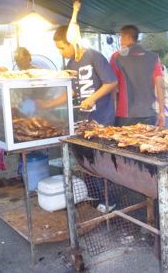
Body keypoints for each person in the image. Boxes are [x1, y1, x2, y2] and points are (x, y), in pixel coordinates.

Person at [52, 25, 118, 212]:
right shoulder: (71, 64)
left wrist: (92, 98)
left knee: (101, 161)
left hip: (102, 118)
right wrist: (49, 103)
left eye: (62, 47)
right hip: (84, 120)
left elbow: (112, 82)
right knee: (85, 159)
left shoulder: (94, 56)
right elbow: (72, 90)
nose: (61, 52)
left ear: (72, 42)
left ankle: (110, 199)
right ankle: (94, 193)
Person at [110, 25, 165, 127]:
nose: (120, 41)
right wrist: (162, 112)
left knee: (124, 142)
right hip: (149, 113)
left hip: (125, 114)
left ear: (126, 37)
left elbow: (112, 85)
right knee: (147, 142)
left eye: (121, 37)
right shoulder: (153, 57)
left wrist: (113, 109)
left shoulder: (116, 57)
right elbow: (160, 85)